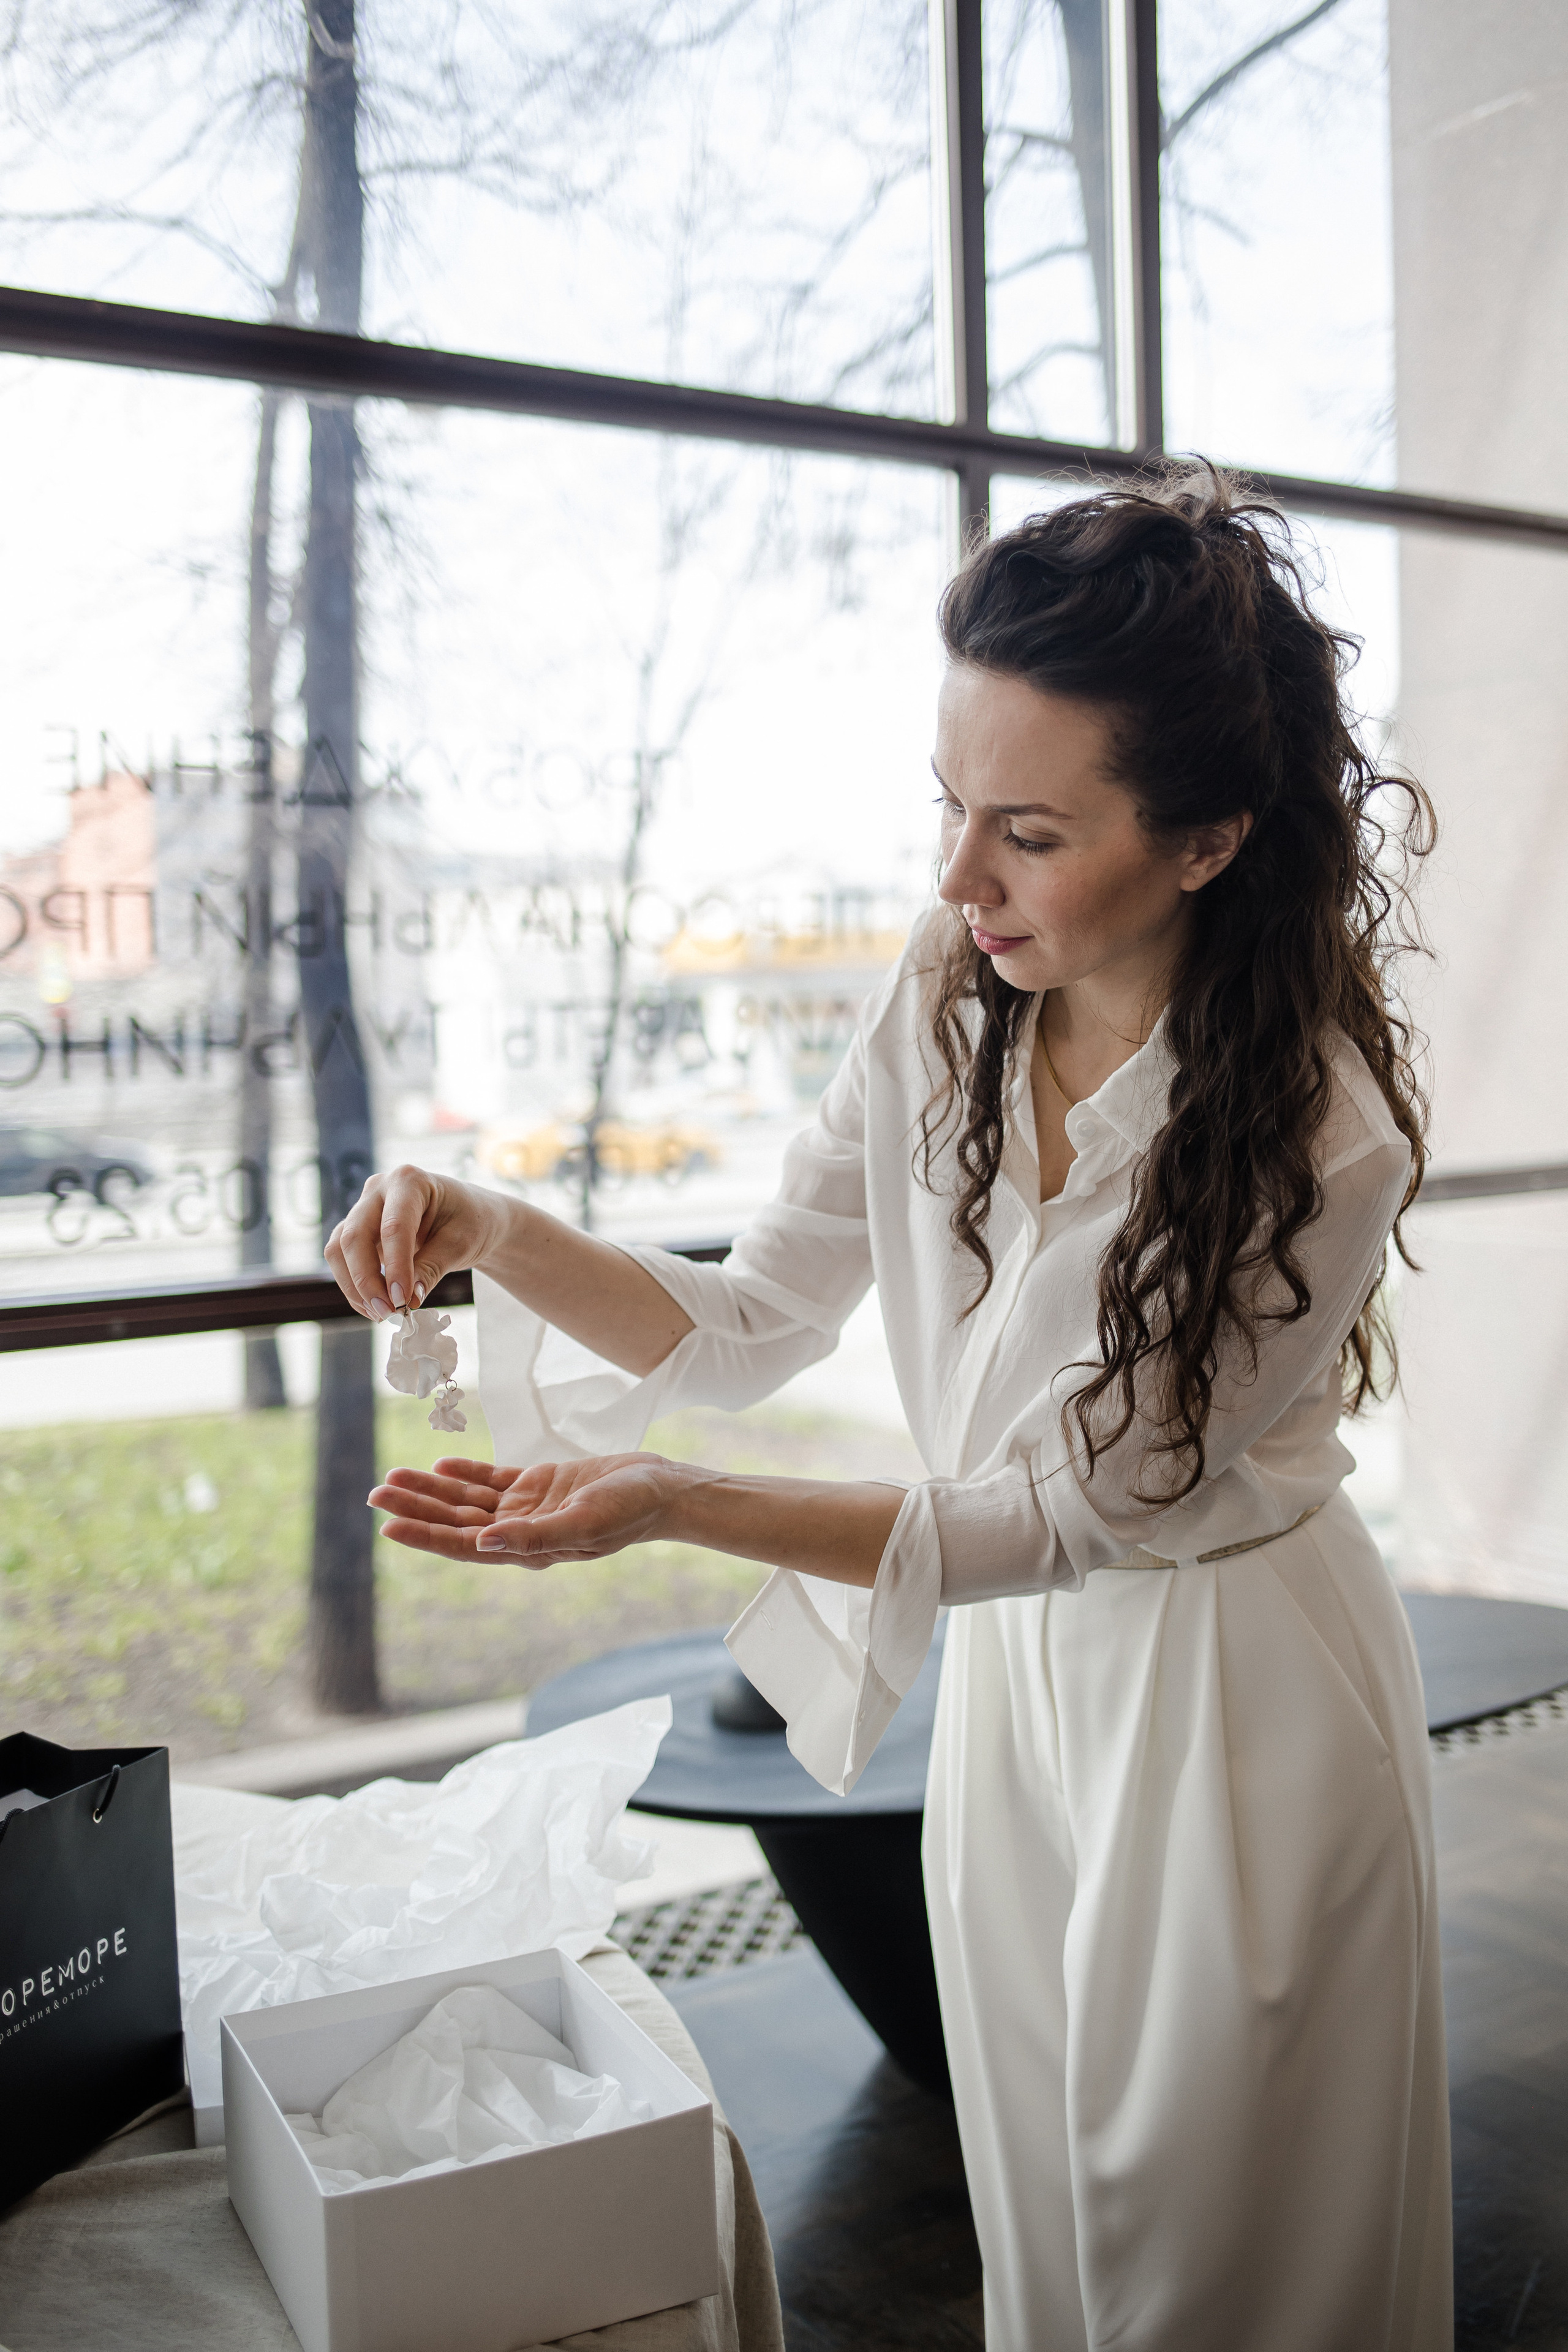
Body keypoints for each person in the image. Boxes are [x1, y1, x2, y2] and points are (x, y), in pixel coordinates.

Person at [327, 470, 1451, 2352]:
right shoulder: (949, 992)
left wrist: (671, 1504)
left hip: (1234, 1707)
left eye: (1025, 831)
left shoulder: (1325, 1137)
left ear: (1207, 841)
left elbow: (1073, 1518)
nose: (956, 881)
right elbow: (755, 1315)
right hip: (1016, 1701)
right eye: (949, 807)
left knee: (1217, 2263)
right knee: (1055, 2224)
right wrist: (498, 1228)